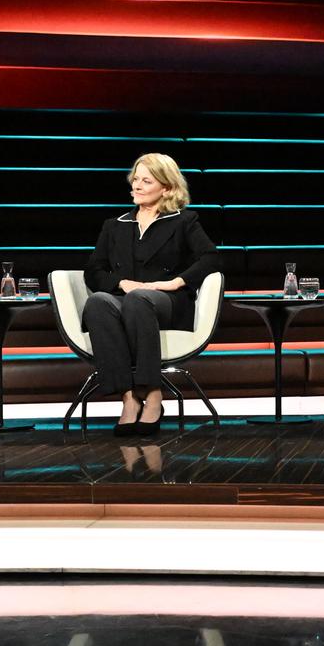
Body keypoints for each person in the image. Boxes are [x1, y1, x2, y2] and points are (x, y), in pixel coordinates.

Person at [82, 153, 220, 436]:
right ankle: (129, 398)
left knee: (139, 299)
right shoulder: (116, 224)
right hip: (126, 298)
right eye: (135, 179)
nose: (137, 185)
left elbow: (211, 258)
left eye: (147, 180)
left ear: (166, 188)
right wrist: (121, 284)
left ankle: (154, 394)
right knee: (97, 302)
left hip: (167, 302)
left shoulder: (184, 221)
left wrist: (176, 282)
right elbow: (93, 271)